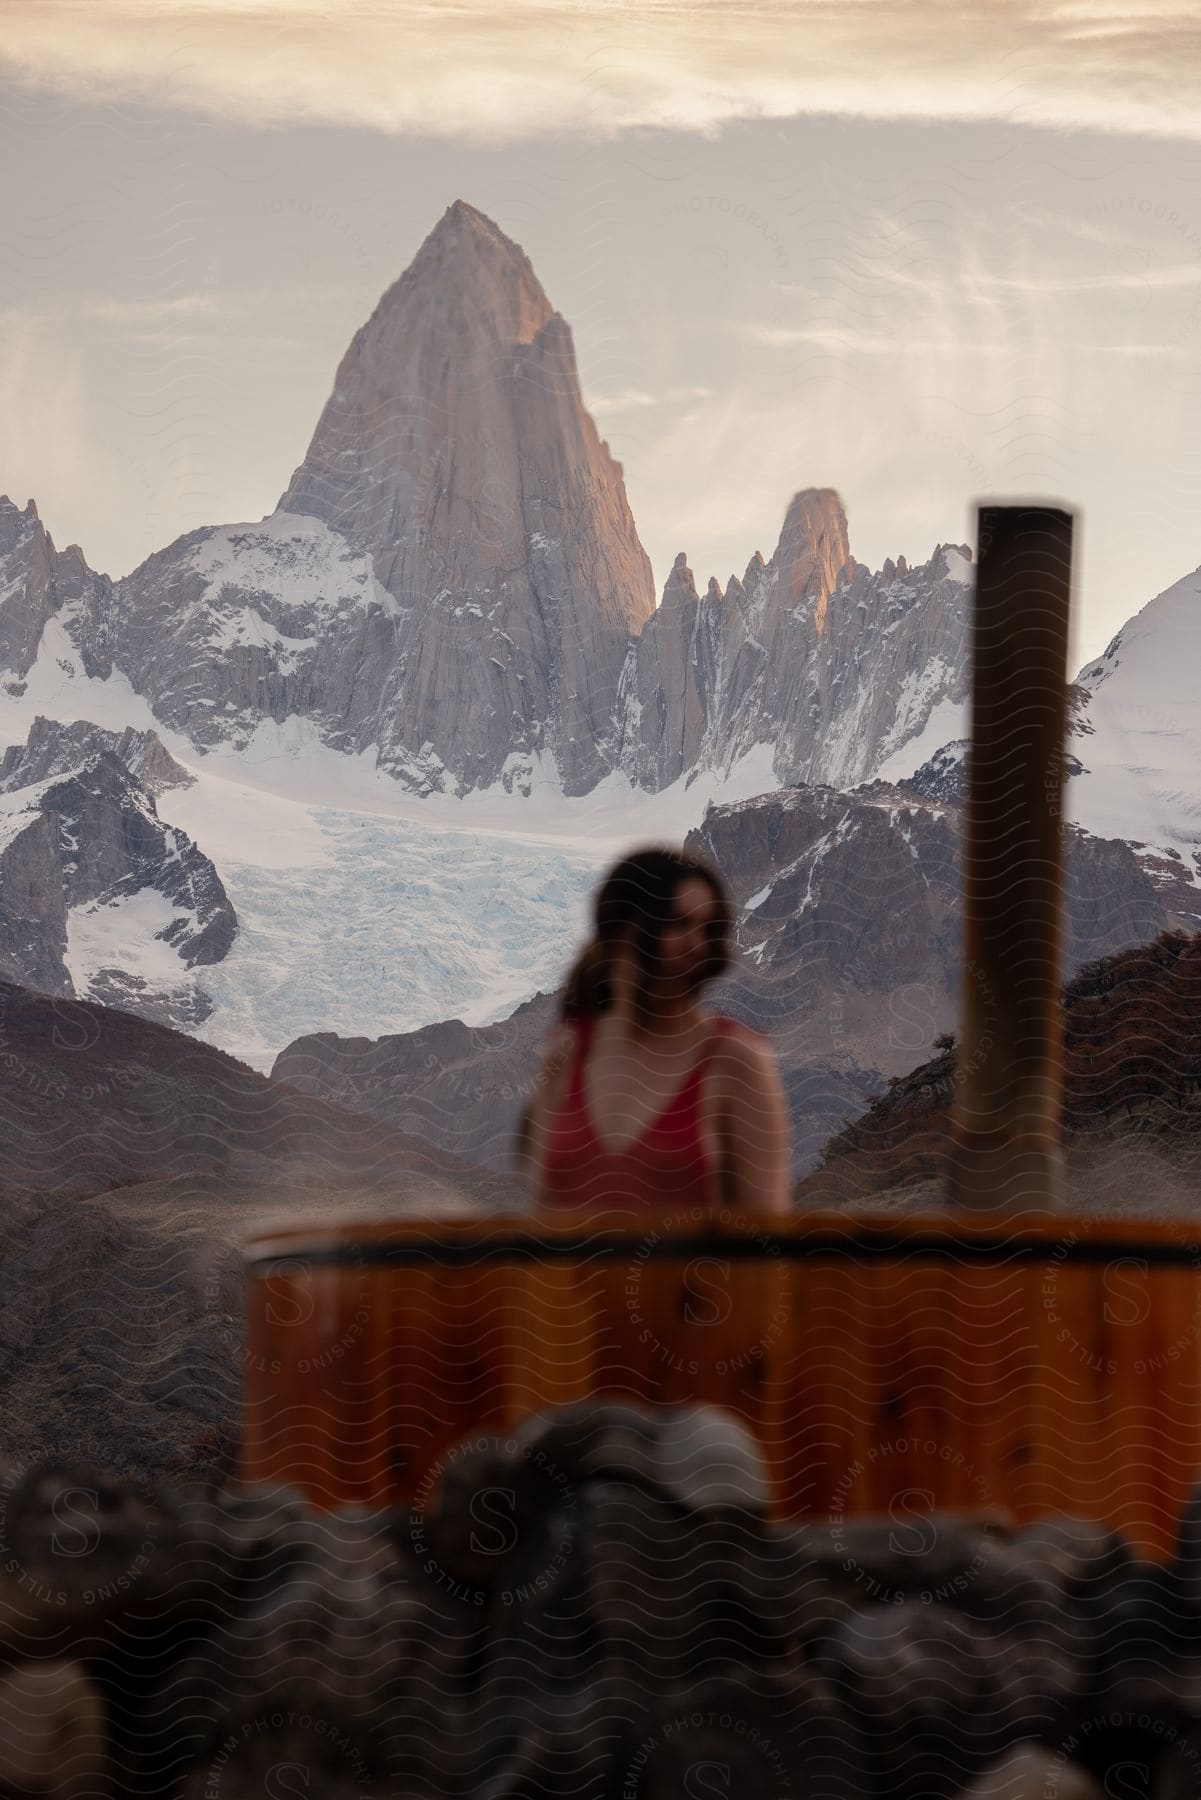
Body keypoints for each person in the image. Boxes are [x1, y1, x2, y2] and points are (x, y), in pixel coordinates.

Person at [515, 845, 790, 1214]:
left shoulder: (735, 1060)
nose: (697, 946)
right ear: (623, 930)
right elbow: (541, 1215)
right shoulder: (564, 1053)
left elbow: (765, 1240)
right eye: (678, 923)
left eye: (707, 929)